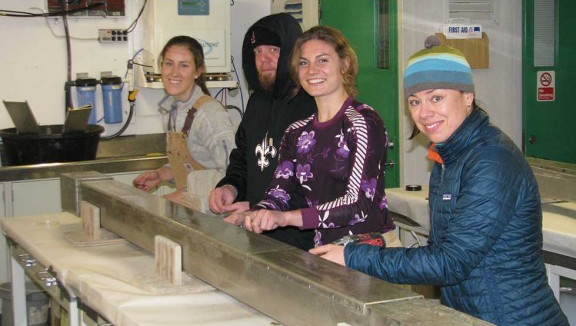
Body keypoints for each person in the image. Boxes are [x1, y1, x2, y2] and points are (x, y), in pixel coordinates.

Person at [310, 36, 569, 325]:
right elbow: (440, 253)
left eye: (436, 98)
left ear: (467, 96)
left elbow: (450, 263)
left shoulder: (491, 160)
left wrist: (354, 257)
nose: (424, 112)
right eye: (415, 101)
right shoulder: (449, 157)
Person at [225, 25, 397, 248]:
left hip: (368, 252)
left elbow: (358, 204)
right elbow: (279, 192)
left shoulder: (362, 122)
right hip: (324, 251)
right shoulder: (297, 132)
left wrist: (286, 218)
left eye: (322, 60)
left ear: (344, 65)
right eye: (304, 63)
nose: (311, 70)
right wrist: (256, 212)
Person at [208, 13, 317, 250]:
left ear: (291, 52)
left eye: (273, 50)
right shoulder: (257, 102)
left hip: (303, 241)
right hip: (259, 233)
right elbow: (244, 158)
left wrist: (258, 207)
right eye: (257, 52)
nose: (264, 59)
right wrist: (230, 187)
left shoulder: (312, 105)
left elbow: (311, 184)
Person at [133, 35, 236, 208]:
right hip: (193, 215)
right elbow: (193, 166)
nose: (174, 72)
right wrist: (161, 174)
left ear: (197, 71)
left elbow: (232, 175)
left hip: (217, 216)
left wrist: (183, 196)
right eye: (169, 63)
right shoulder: (172, 110)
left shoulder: (210, 113)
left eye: (184, 65)